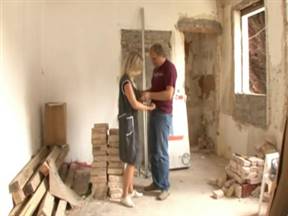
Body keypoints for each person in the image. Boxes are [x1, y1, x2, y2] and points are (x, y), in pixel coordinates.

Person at [118, 52, 156, 207]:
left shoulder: (129, 81)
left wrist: (146, 94)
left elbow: (136, 96)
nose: (140, 71)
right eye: (138, 68)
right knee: (131, 160)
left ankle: (131, 189)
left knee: (134, 155)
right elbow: (134, 104)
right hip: (128, 123)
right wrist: (148, 108)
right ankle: (124, 195)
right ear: (133, 66)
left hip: (131, 122)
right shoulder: (126, 82)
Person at [142, 43, 177, 201]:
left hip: (163, 114)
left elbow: (168, 95)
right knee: (153, 150)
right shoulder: (156, 70)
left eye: (154, 58)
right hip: (154, 112)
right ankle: (156, 182)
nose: (152, 61)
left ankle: (165, 187)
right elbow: (155, 90)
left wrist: (150, 95)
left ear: (161, 54)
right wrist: (147, 92)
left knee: (161, 151)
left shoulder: (170, 69)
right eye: (151, 58)